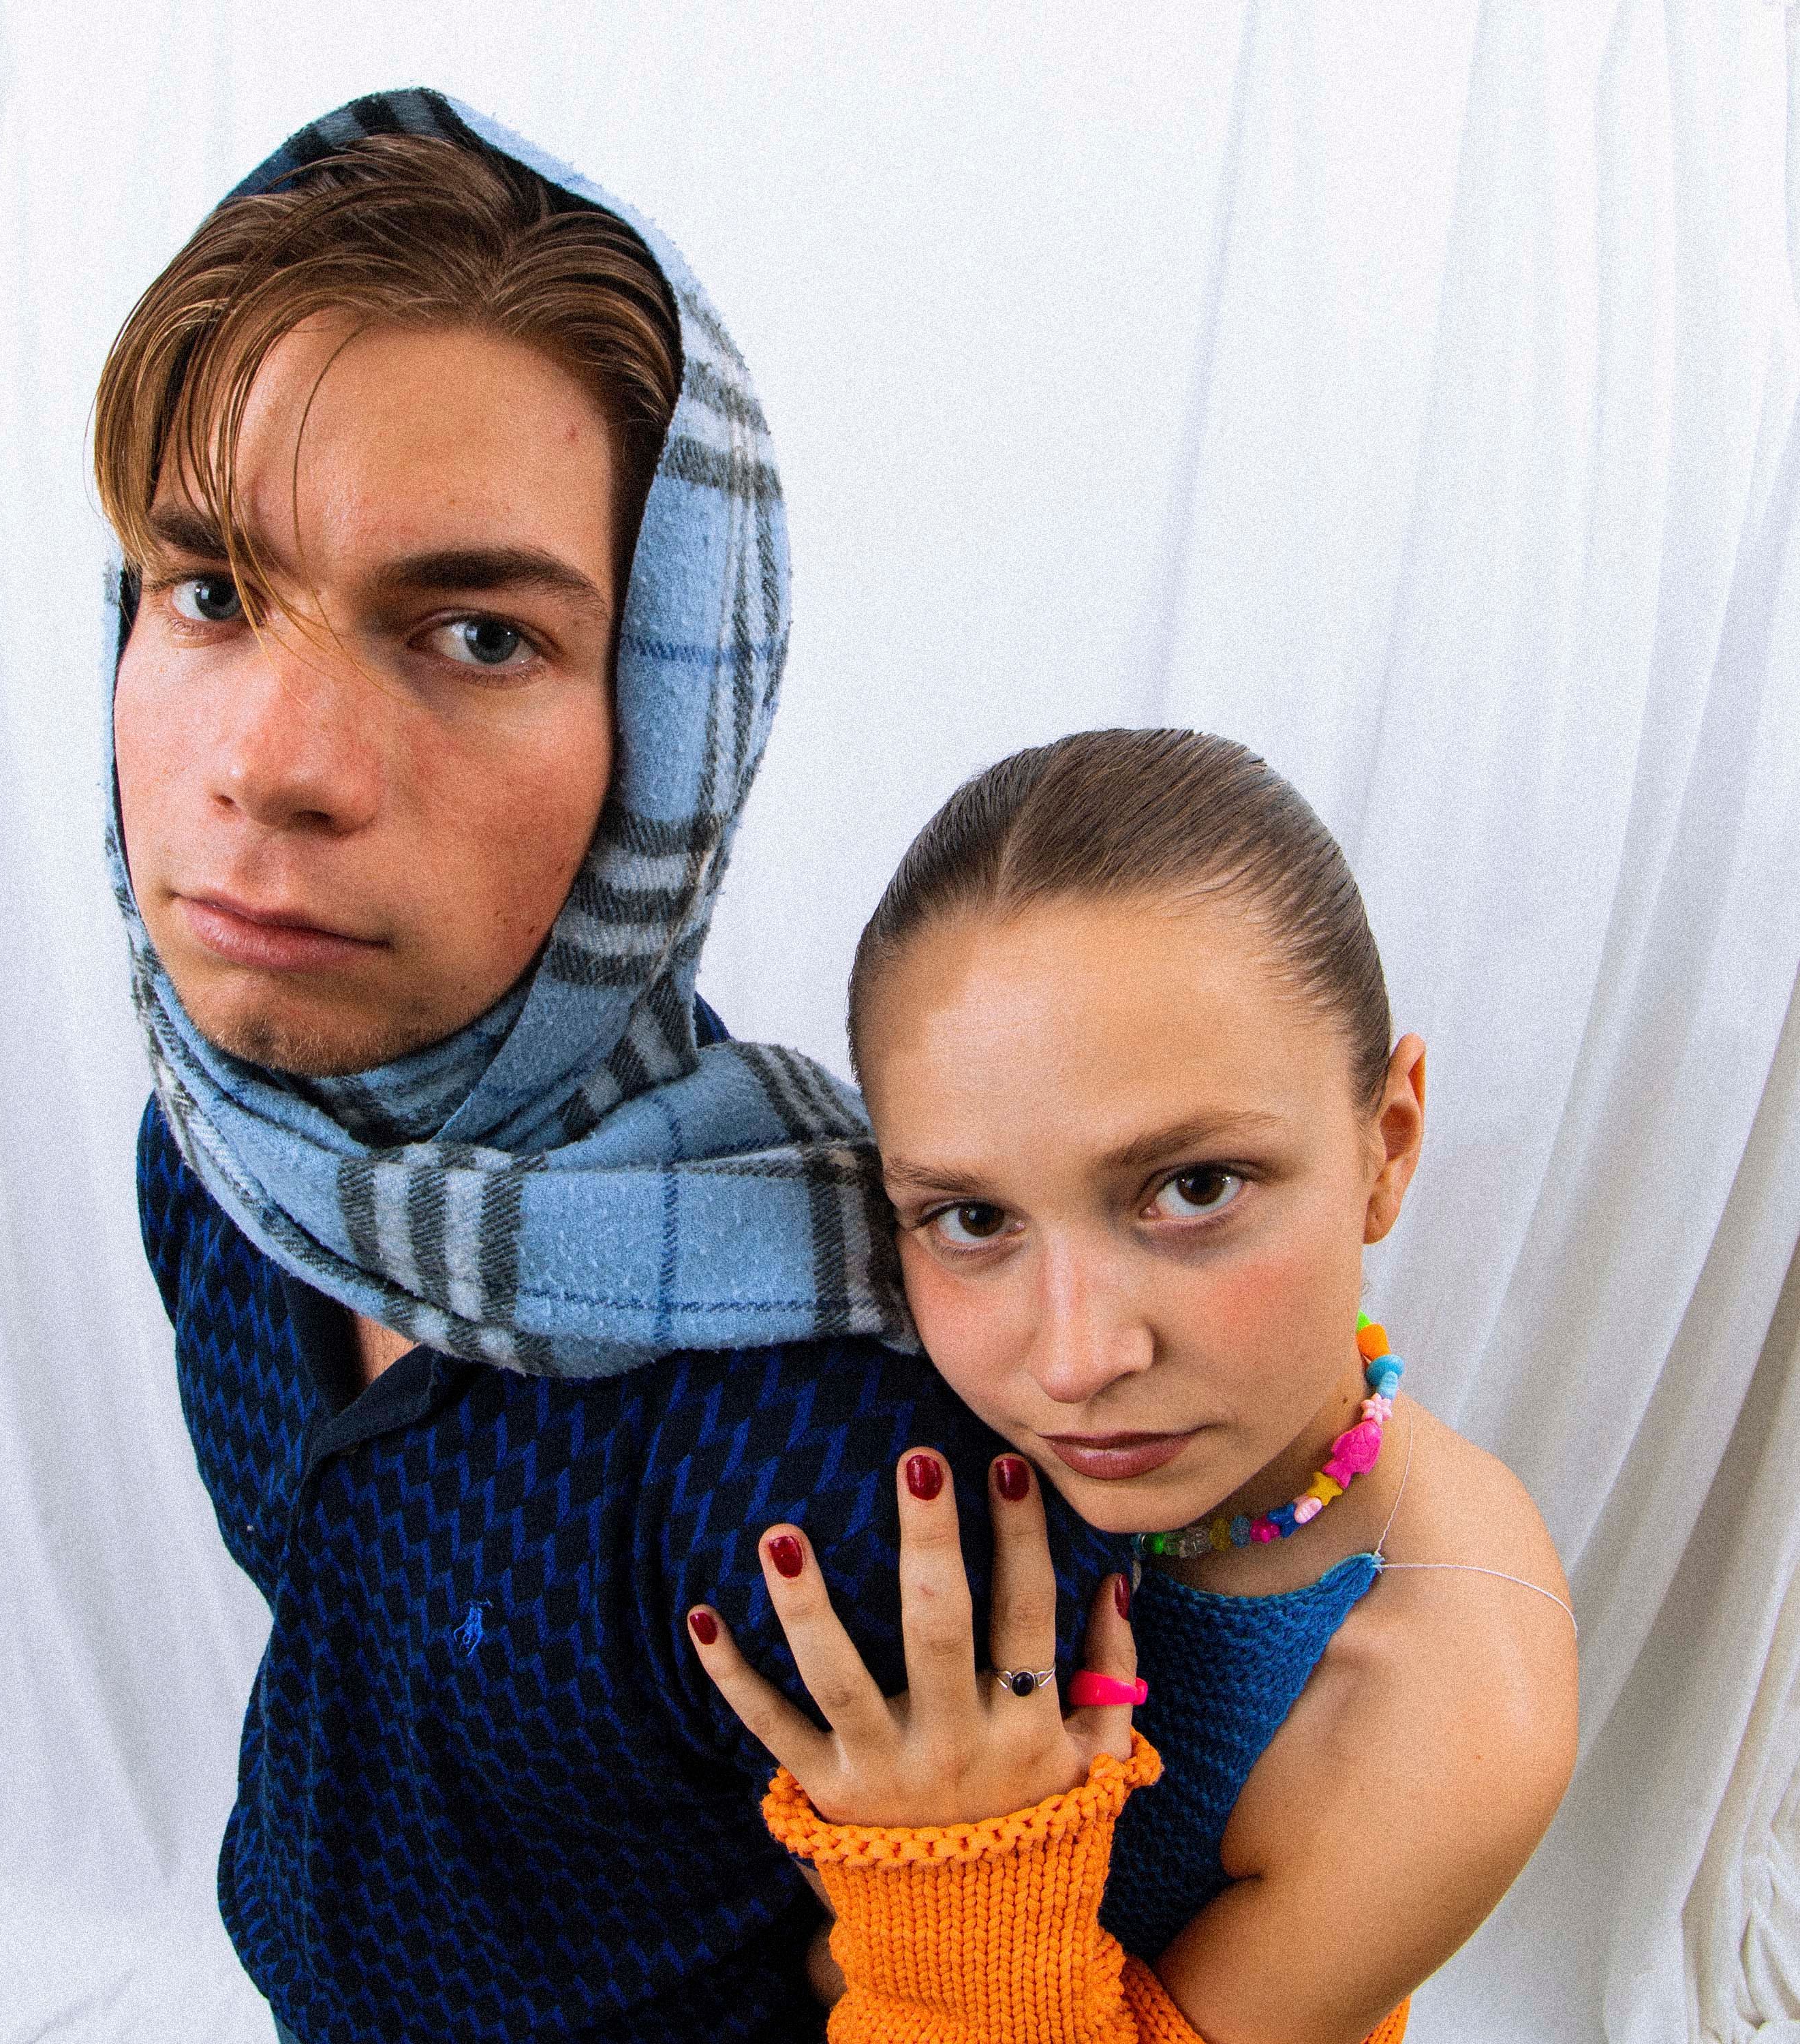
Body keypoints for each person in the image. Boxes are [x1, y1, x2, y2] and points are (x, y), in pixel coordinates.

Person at [97, 85, 1136, 2043]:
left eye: (477, 634)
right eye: (214, 593)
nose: (274, 766)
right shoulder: (223, 1163)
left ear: (670, 737)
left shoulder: (831, 1458)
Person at [688, 730, 1581, 2043]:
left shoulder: (1453, 1704)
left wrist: (959, 1883)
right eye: (974, 1218)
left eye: (1195, 1188)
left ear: (1386, 1146)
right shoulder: (853, 1361)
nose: (1075, 1361)